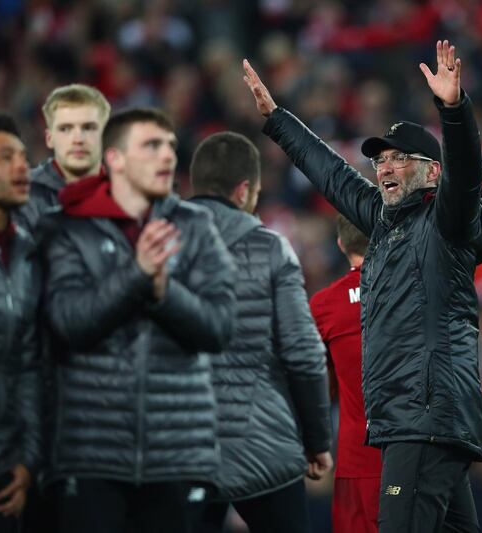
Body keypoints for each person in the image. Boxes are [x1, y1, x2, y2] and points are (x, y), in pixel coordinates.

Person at [244, 39, 482, 533]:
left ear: (432, 171)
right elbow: (332, 175)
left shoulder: (445, 219)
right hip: (418, 419)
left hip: (423, 418)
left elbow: (466, 174)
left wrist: (453, 110)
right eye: (380, 161)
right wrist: (277, 119)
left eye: (399, 159)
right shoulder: (386, 221)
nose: (384, 168)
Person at [40, 108, 238, 533]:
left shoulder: (196, 226)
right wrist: (136, 275)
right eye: (151, 145)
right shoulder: (68, 228)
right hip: (91, 454)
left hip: (178, 454)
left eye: (170, 145)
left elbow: (221, 327)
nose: (167, 154)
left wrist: (166, 293)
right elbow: (67, 323)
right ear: (115, 159)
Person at [188, 131, 332, 533]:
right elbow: (304, 353)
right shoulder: (270, 247)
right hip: (263, 444)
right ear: (244, 190)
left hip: (181, 447)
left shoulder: (157, 242)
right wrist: (316, 439)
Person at [0, 112, 41, 532]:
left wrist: (27, 460)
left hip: (2, 472)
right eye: (4, 157)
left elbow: (30, 365)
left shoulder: (27, 253)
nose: (21, 166)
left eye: (22, 156)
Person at [310, 215, 382, 533]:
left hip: (358, 458)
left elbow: (315, 385)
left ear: (341, 244)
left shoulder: (324, 306)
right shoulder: (415, 290)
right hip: (420, 453)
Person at [14, 83, 110, 231]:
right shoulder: (22, 195)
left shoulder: (130, 196)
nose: (78, 139)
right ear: (49, 139)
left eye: (88, 128)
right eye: (65, 129)